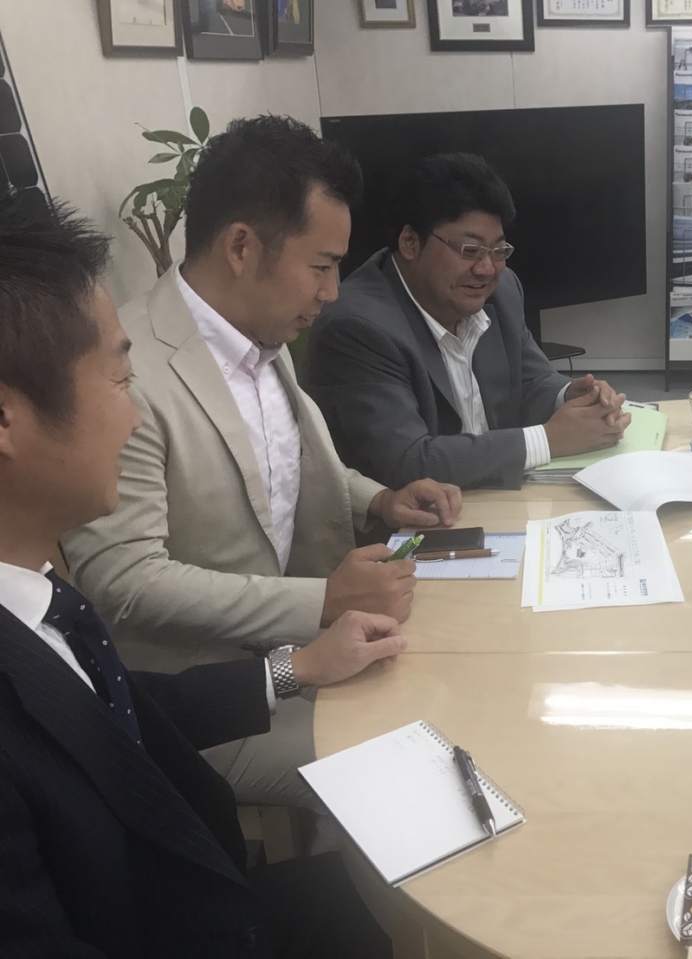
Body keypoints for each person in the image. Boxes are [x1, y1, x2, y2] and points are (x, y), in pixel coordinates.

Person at [0, 190, 397, 958]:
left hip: (210, 888)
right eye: (119, 382)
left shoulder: (39, 598)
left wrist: (295, 668)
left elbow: (120, 706)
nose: (136, 417)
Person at [61, 115, 463, 812]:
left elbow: (280, 466)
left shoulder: (259, 336)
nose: (333, 291)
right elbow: (122, 579)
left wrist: (378, 499)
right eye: (322, 266)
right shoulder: (132, 374)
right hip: (203, 699)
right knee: (420, 762)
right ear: (242, 247)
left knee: (454, 684)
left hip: (303, 650)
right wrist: (321, 602)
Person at [305, 152, 630, 491]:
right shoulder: (358, 327)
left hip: (496, 496)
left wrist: (570, 396)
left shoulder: (502, 291)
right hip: (417, 515)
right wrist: (549, 439)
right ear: (410, 242)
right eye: (469, 250)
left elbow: (530, 380)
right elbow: (407, 462)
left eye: (498, 251)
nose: (486, 269)